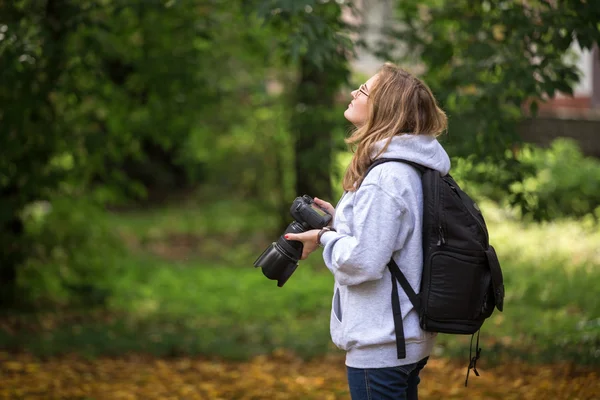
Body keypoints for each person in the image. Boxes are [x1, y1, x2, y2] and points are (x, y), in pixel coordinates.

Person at [285, 62, 450, 400]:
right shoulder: (411, 167)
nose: (352, 93)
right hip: (402, 337)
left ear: (383, 108)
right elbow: (394, 240)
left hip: (382, 345)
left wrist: (323, 237)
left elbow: (364, 261)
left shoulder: (386, 178)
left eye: (362, 90)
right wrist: (339, 223)